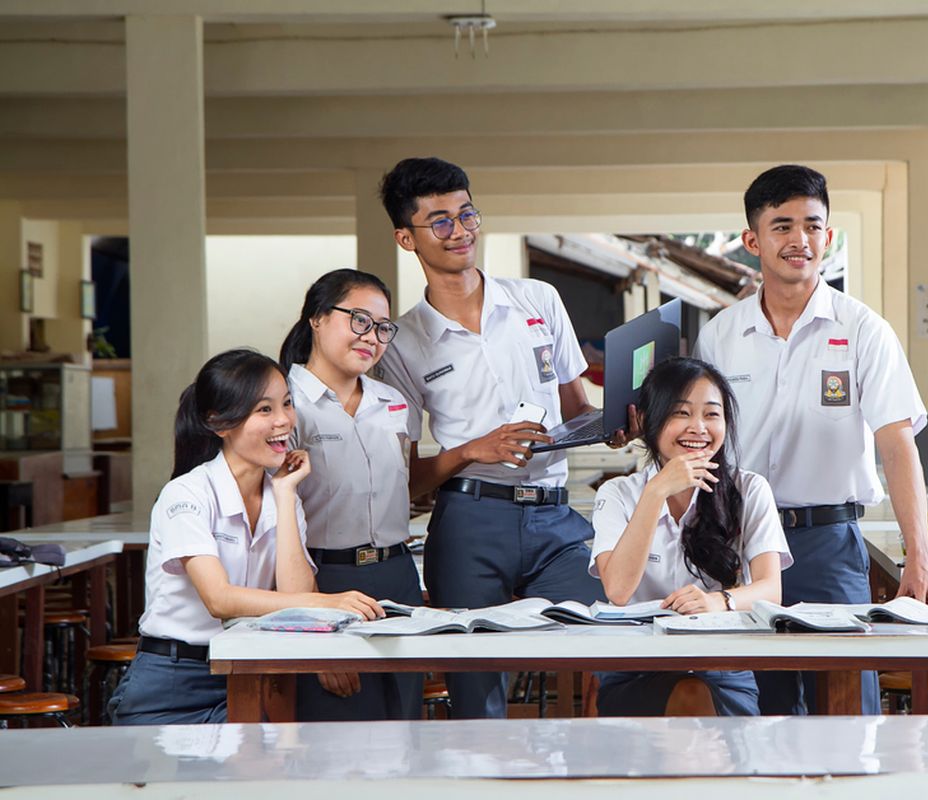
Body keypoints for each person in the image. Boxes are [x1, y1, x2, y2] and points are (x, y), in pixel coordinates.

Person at [693, 164, 928, 717]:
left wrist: (918, 556)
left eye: (812, 225)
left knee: (846, 706)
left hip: (829, 542)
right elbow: (698, 442)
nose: (799, 240)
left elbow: (896, 444)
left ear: (828, 237)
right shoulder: (720, 335)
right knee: (761, 711)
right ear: (752, 240)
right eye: (782, 226)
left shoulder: (863, 330)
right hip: (744, 543)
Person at [375, 156, 610, 719]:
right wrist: (472, 450)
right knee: (478, 692)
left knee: (609, 645)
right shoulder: (401, 342)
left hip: (556, 517)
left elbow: (577, 409)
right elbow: (404, 480)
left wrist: (620, 421)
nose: (461, 232)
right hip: (469, 523)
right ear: (406, 238)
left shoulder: (538, 300)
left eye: (467, 213)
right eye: (440, 221)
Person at [109, 349, 384, 726]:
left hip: (251, 669)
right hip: (173, 681)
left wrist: (286, 495)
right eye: (264, 410)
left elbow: (294, 593)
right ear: (220, 424)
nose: (285, 420)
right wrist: (326, 604)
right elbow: (219, 600)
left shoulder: (283, 493)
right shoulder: (186, 493)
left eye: (287, 404)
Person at [590, 357, 792, 716]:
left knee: (694, 694)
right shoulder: (618, 494)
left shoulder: (749, 489)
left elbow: (770, 588)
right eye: (681, 413)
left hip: (720, 665)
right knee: (688, 697)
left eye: (712, 415)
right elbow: (618, 590)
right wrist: (655, 492)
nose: (698, 427)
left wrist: (719, 601)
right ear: (649, 422)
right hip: (637, 666)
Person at [279, 268, 424, 721]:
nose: (372, 337)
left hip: (398, 577)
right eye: (358, 320)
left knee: (404, 723)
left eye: (382, 327)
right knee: (338, 732)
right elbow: (270, 520)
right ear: (317, 318)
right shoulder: (285, 404)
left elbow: (406, 484)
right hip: (325, 579)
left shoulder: (394, 402)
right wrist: (314, 627)